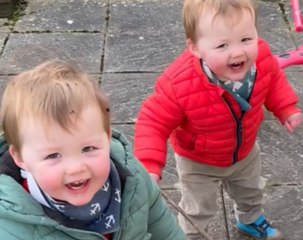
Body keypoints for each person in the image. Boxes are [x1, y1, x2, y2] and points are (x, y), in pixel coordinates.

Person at [134, 0, 303, 239]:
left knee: (251, 191)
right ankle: (190, 234)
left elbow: (274, 80)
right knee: (198, 206)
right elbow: (153, 121)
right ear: (194, 47)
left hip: (244, 151)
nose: (238, 52)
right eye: (222, 45)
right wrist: (149, 164)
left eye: (246, 39)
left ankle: (250, 219)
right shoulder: (178, 84)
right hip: (199, 161)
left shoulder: (262, 58)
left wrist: (286, 107)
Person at [0, 60, 185, 240]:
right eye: (53, 155)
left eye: (88, 148)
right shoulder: (9, 225)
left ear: (106, 137)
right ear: (20, 158)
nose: (76, 168)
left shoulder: (132, 176)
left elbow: (162, 226)